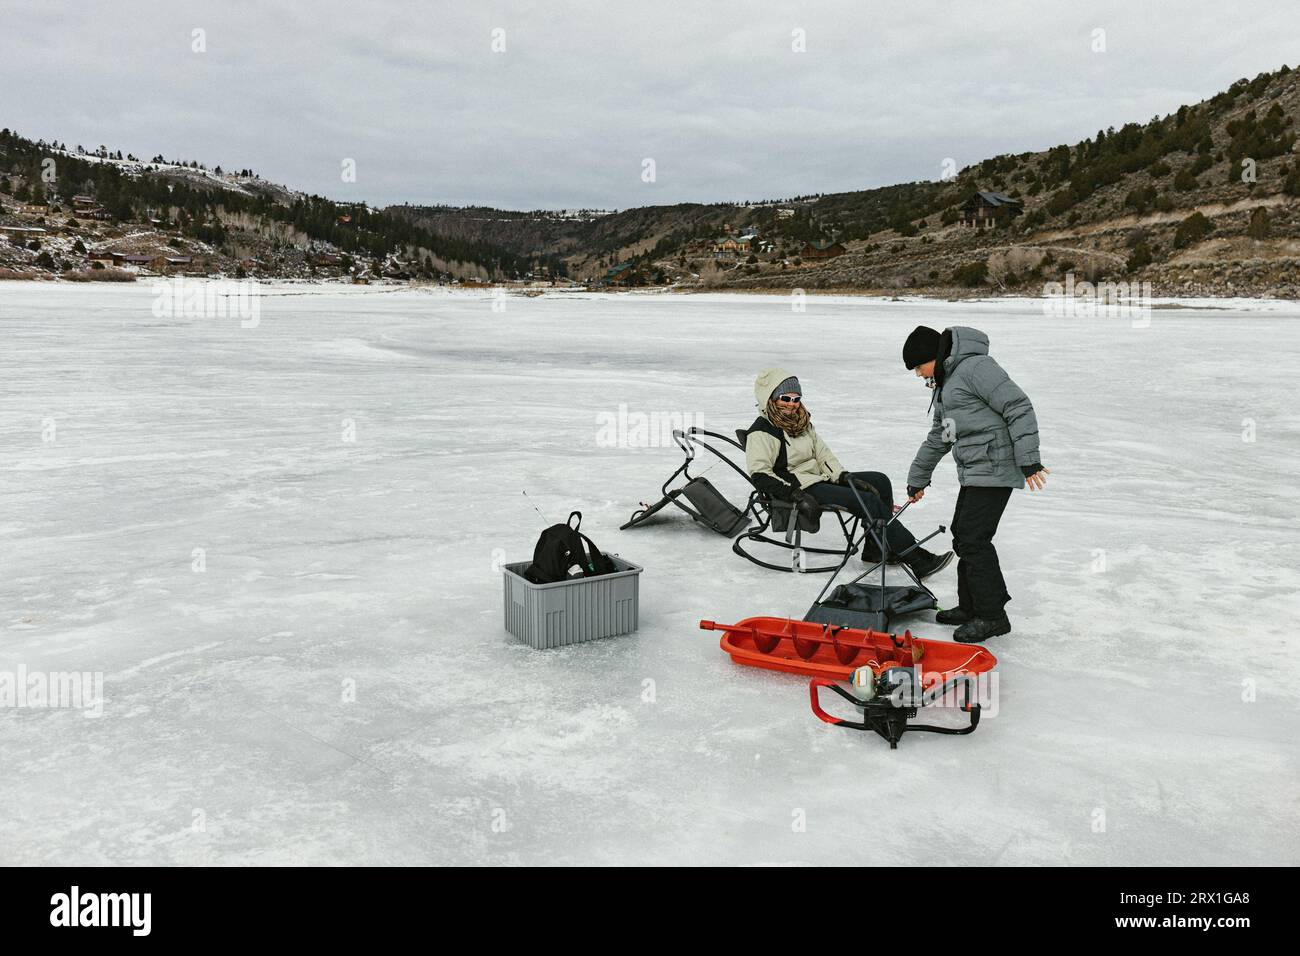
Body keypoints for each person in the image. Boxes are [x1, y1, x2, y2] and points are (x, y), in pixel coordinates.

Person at [901, 326, 1048, 642]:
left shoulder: (976, 368)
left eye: (917, 367)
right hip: (976, 469)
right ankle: (970, 607)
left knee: (973, 539)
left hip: (996, 465)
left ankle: (992, 616)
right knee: (963, 536)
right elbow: (941, 436)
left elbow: (1018, 406)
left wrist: (1029, 459)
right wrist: (917, 478)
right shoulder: (946, 384)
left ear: (933, 357)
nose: (917, 374)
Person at [744, 368, 952, 578]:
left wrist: (842, 476)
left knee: (880, 481)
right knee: (867, 501)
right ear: (770, 398)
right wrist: (795, 495)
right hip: (800, 487)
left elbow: (823, 454)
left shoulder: (802, 422)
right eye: (785, 398)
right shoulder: (762, 431)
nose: (792, 404)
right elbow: (760, 474)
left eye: (796, 398)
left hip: (819, 478)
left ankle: (876, 549)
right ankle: (916, 557)